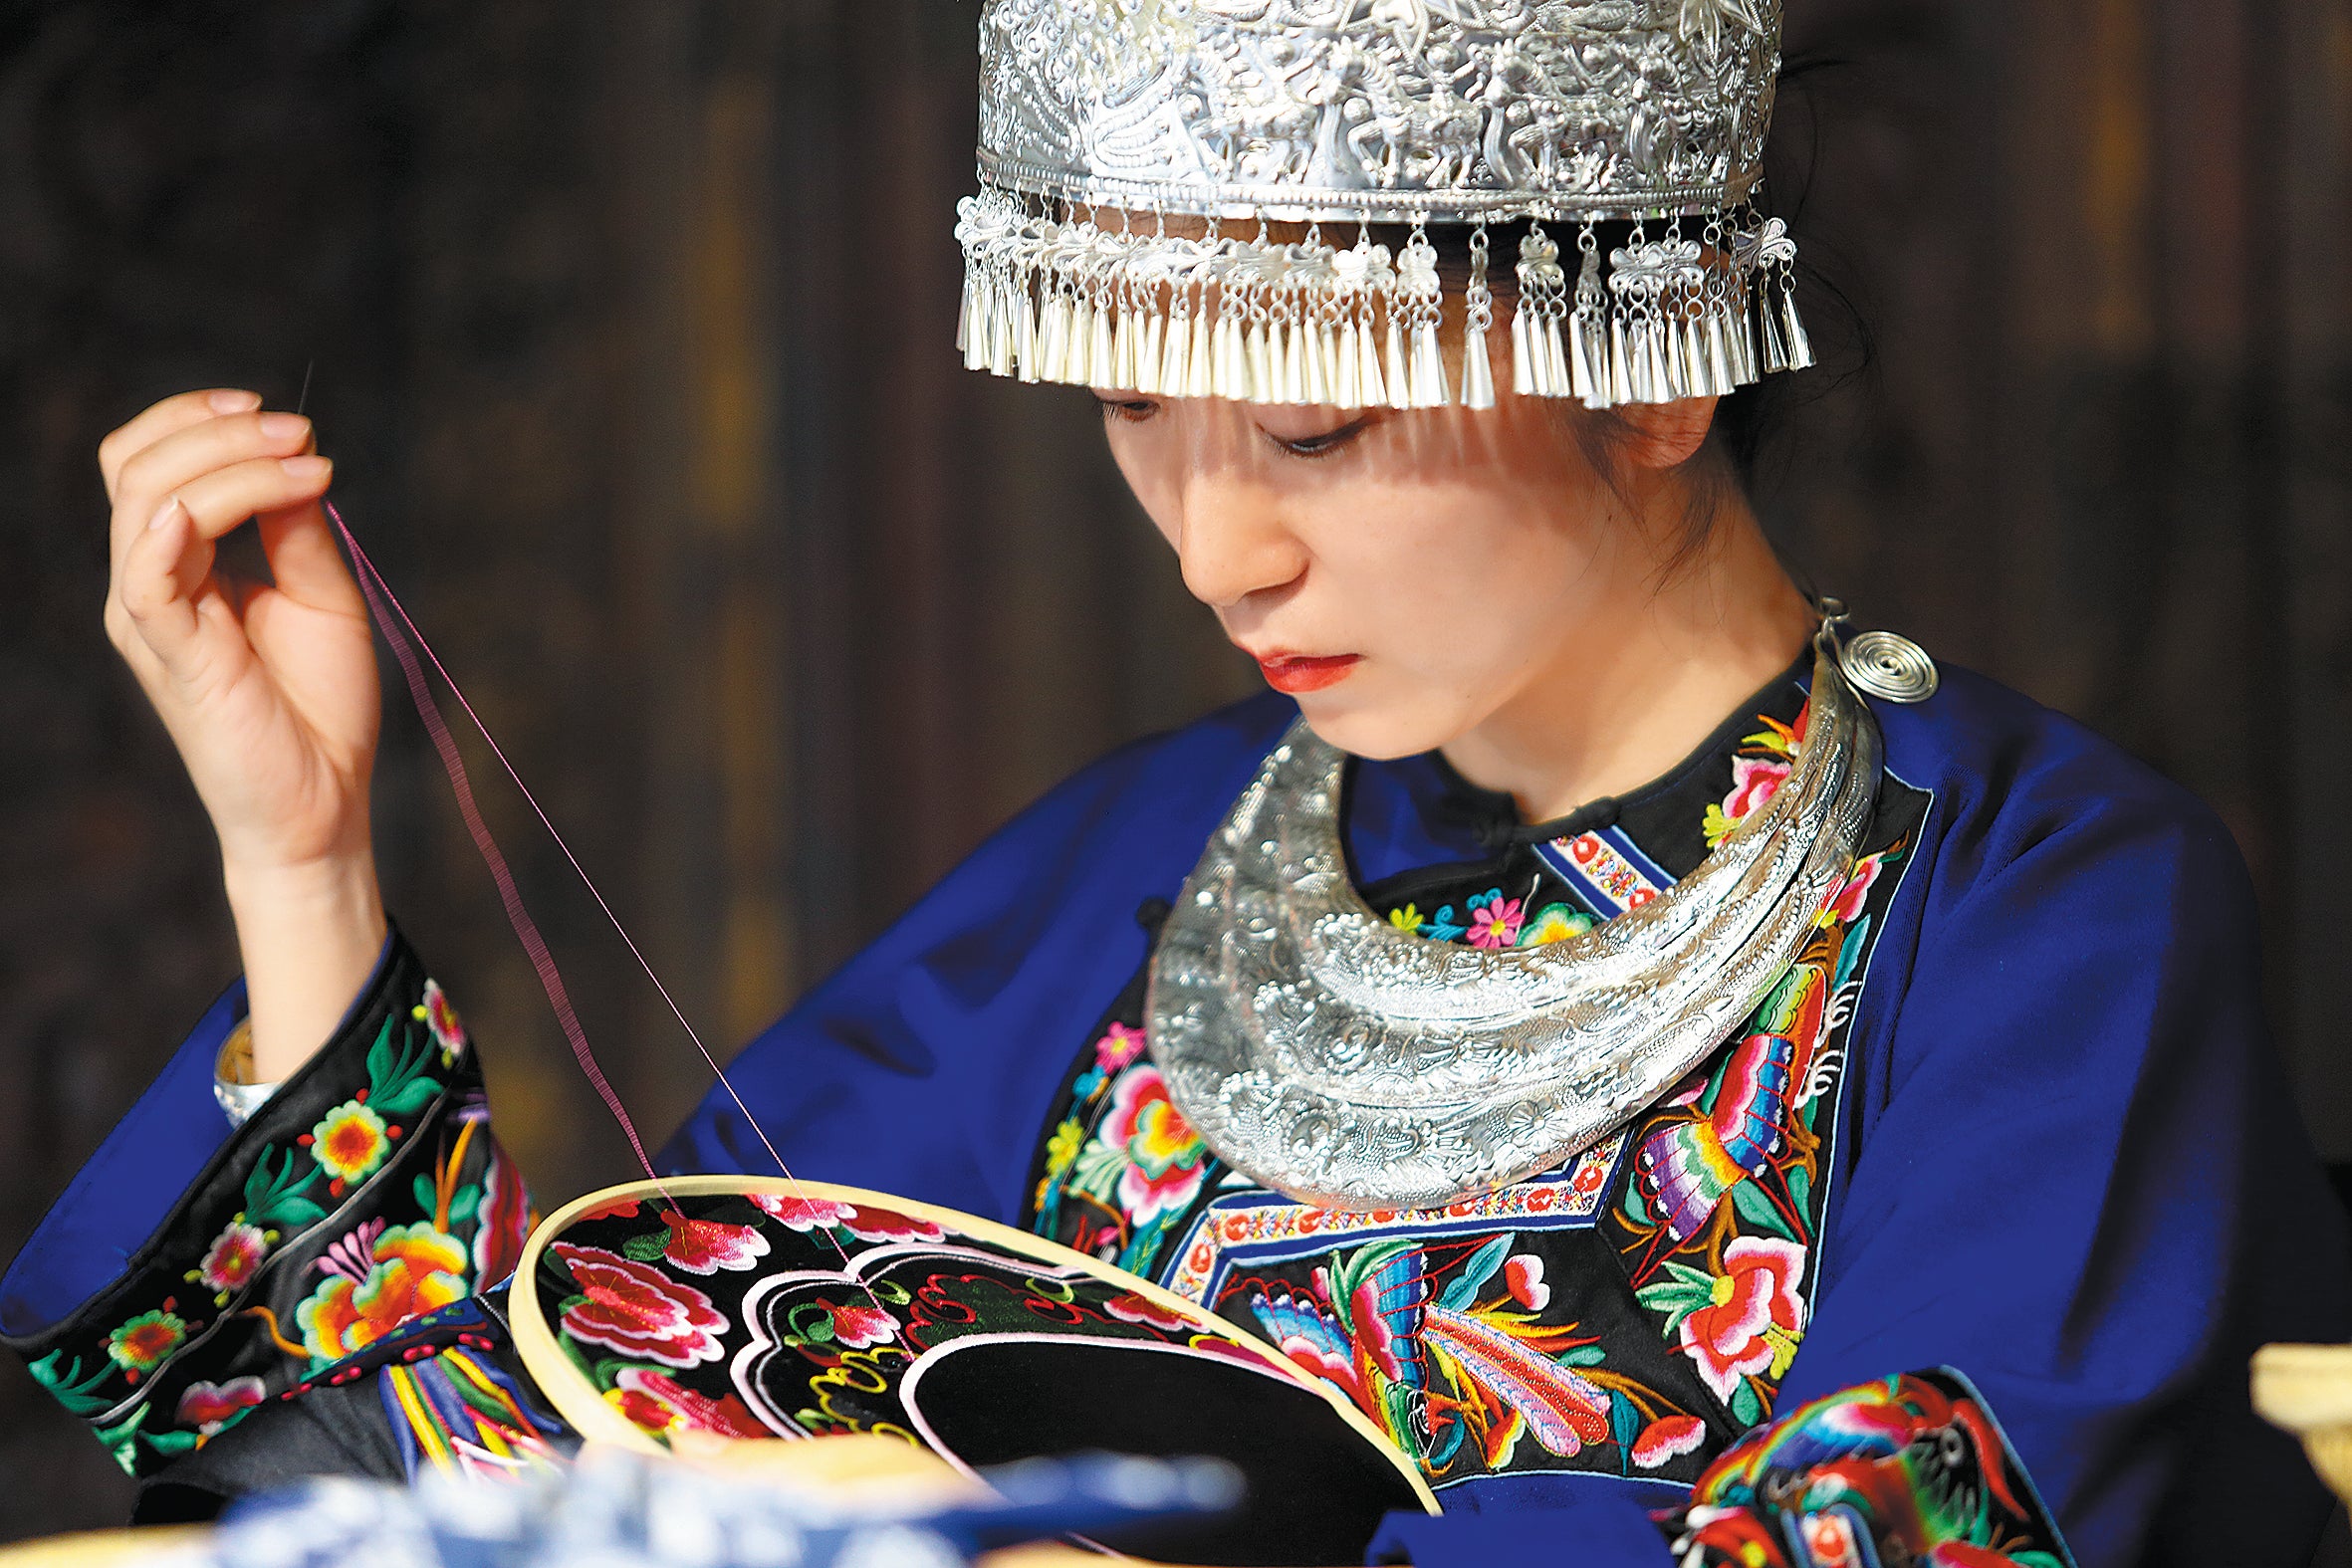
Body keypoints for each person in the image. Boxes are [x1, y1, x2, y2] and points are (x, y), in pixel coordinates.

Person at [5, 4, 2346, 1566]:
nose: (1217, 543)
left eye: (1312, 426)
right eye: (1137, 409)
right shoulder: (1126, 875)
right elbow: (555, 1476)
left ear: (1651, 373)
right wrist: (299, 850)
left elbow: (1918, 1515)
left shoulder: (2036, 903)